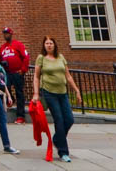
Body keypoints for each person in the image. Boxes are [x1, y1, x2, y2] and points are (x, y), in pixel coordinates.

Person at [32, 35, 82, 164]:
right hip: (49, 93)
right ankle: (63, 152)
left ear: (55, 45)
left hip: (62, 93)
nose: (49, 45)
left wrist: (76, 91)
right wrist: (36, 94)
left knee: (69, 119)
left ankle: (57, 139)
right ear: (44, 45)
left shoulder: (61, 57)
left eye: (51, 43)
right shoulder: (41, 58)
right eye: (47, 43)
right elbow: (36, 77)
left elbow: (68, 76)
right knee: (59, 120)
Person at [0, 27, 29, 124]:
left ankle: (20, 116)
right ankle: (11, 99)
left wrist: (23, 70)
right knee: (5, 89)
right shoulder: (3, 47)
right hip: (7, 73)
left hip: (17, 73)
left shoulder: (18, 44)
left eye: (7, 33)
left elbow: (26, 57)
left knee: (19, 93)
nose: (5, 35)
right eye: (4, 33)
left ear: (11, 34)